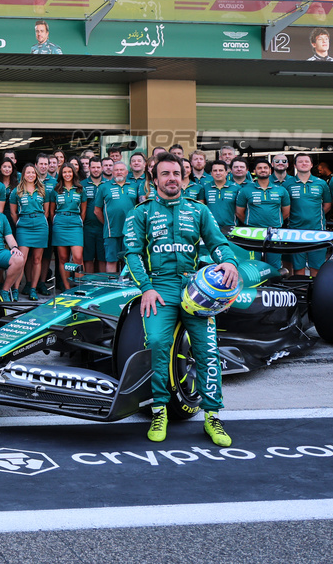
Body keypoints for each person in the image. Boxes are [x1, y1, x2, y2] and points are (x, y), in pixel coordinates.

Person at [124, 152, 240, 446]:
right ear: (155, 179)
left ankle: (212, 416)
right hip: (159, 288)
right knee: (159, 344)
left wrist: (228, 261)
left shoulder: (199, 210)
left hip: (194, 289)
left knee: (207, 350)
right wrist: (146, 288)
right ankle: (159, 409)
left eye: (176, 173)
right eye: (165, 174)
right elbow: (133, 254)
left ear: (183, 177)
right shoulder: (142, 212)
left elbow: (218, 242)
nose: (172, 178)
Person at [235, 160, 290, 270]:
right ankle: (256, 286)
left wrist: (275, 223)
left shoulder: (281, 190)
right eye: (259, 168)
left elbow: (286, 212)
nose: (263, 170)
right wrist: (251, 223)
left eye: (265, 168)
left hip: (274, 232)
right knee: (253, 264)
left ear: (270, 170)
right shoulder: (245, 190)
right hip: (252, 232)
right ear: (254, 171)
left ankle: (274, 286)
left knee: (274, 265)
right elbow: (239, 212)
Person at [9, 164, 52, 300]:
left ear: (36, 174)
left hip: (40, 225)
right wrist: (21, 223)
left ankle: (33, 288)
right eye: (28, 173)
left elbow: (46, 212)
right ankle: (15, 289)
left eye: (33, 173)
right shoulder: (17, 191)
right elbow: (13, 212)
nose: (31, 175)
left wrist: (38, 220)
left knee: (37, 259)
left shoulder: (42, 190)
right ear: (23, 174)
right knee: (21, 259)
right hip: (24, 226)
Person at [286, 153, 331, 276]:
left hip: (317, 231)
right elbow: (284, 207)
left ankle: (314, 293)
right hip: (295, 231)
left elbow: (327, 205)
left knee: (316, 267)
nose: (304, 164)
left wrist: (313, 216)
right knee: (298, 268)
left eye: (306, 161)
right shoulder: (287, 184)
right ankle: (300, 293)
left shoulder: (321, 183)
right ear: (295, 165)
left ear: (311, 165)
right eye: (300, 161)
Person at [94, 162, 137, 272]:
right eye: (116, 170)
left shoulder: (134, 186)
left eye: (121, 170)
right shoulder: (104, 187)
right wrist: (108, 223)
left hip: (130, 232)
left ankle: (126, 287)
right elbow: (97, 211)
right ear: (112, 173)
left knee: (129, 261)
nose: (119, 172)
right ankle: (112, 286)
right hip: (110, 232)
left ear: (127, 172)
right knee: (111, 260)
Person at [51, 163, 85, 290]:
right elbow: (51, 211)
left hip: (75, 224)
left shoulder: (80, 189)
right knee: (63, 258)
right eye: (64, 172)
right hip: (60, 224)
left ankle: (79, 288)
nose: (67, 174)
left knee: (78, 257)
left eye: (69, 172)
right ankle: (67, 289)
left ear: (74, 173)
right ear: (61, 174)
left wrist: (76, 221)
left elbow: (83, 211)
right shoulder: (56, 189)